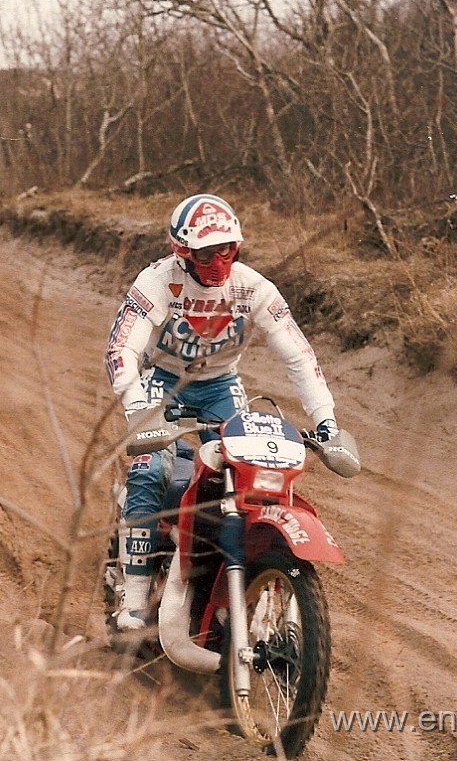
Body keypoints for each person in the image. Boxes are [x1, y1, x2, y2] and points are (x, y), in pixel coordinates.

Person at [104, 193, 348, 631]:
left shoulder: (253, 287)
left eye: (227, 250)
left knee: (249, 475)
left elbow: (297, 354)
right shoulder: (157, 282)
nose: (218, 263)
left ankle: (240, 577)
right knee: (148, 469)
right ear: (183, 252)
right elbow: (122, 346)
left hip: (221, 387)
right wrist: (138, 405)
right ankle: (134, 596)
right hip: (162, 384)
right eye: (206, 253)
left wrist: (325, 419)